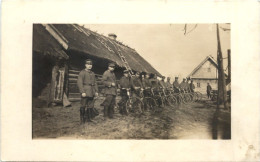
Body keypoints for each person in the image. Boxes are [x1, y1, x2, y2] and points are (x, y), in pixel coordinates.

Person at [77, 59, 99, 124]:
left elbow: (95, 83)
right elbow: (79, 83)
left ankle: (89, 119)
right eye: (88, 64)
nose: (89, 66)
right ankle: (82, 120)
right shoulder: (82, 72)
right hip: (85, 91)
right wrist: (82, 92)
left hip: (92, 91)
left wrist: (96, 91)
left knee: (90, 105)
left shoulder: (92, 73)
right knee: (83, 105)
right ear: (85, 65)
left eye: (91, 64)